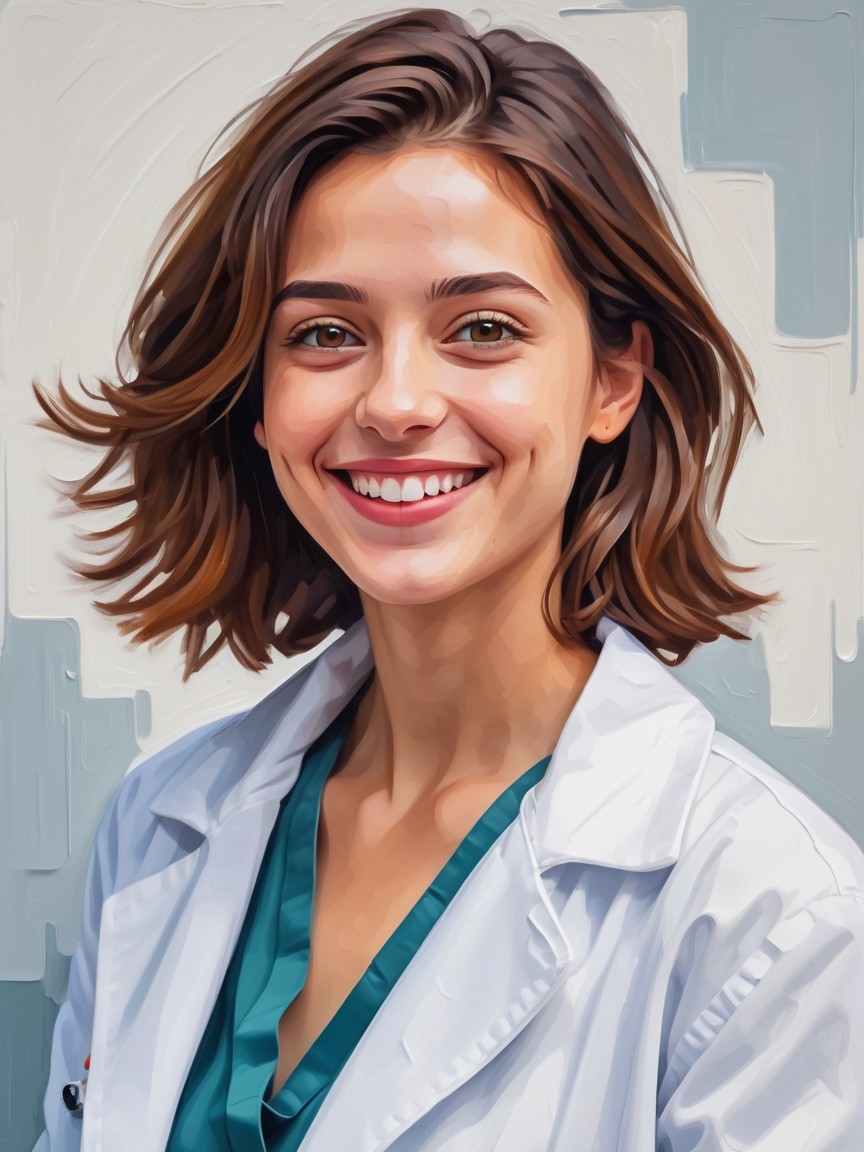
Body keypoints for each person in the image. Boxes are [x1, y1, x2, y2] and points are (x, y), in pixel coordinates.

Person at [33, 8, 864, 1151]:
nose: (396, 402)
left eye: (481, 327)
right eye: (325, 334)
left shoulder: (776, 916)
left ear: (613, 379)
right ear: (260, 399)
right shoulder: (159, 825)